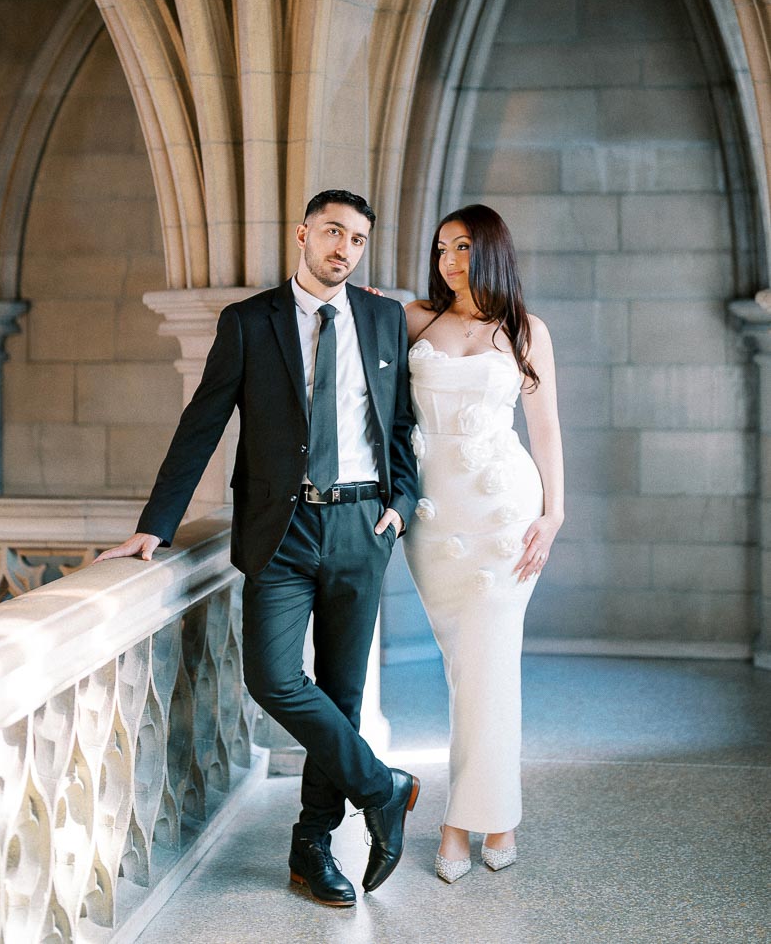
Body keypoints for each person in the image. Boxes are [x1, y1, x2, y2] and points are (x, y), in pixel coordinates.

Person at [96, 190, 420, 907]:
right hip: (282, 529)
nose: (345, 248)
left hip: (362, 525)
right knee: (274, 678)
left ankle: (313, 847)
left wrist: (400, 506)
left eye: (359, 239)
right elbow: (202, 423)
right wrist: (157, 522)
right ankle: (381, 787)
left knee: (340, 694)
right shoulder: (249, 323)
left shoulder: (383, 317)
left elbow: (399, 425)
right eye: (333, 231)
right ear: (302, 233)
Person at [401, 204, 563, 882]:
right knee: (463, 670)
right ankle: (495, 813)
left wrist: (553, 516)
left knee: (489, 668)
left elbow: (546, 429)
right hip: (436, 525)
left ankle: (465, 823)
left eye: (463, 247)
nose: (449, 260)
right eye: (441, 247)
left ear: (490, 250)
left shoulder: (525, 330)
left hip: (504, 518)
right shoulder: (413, 318)